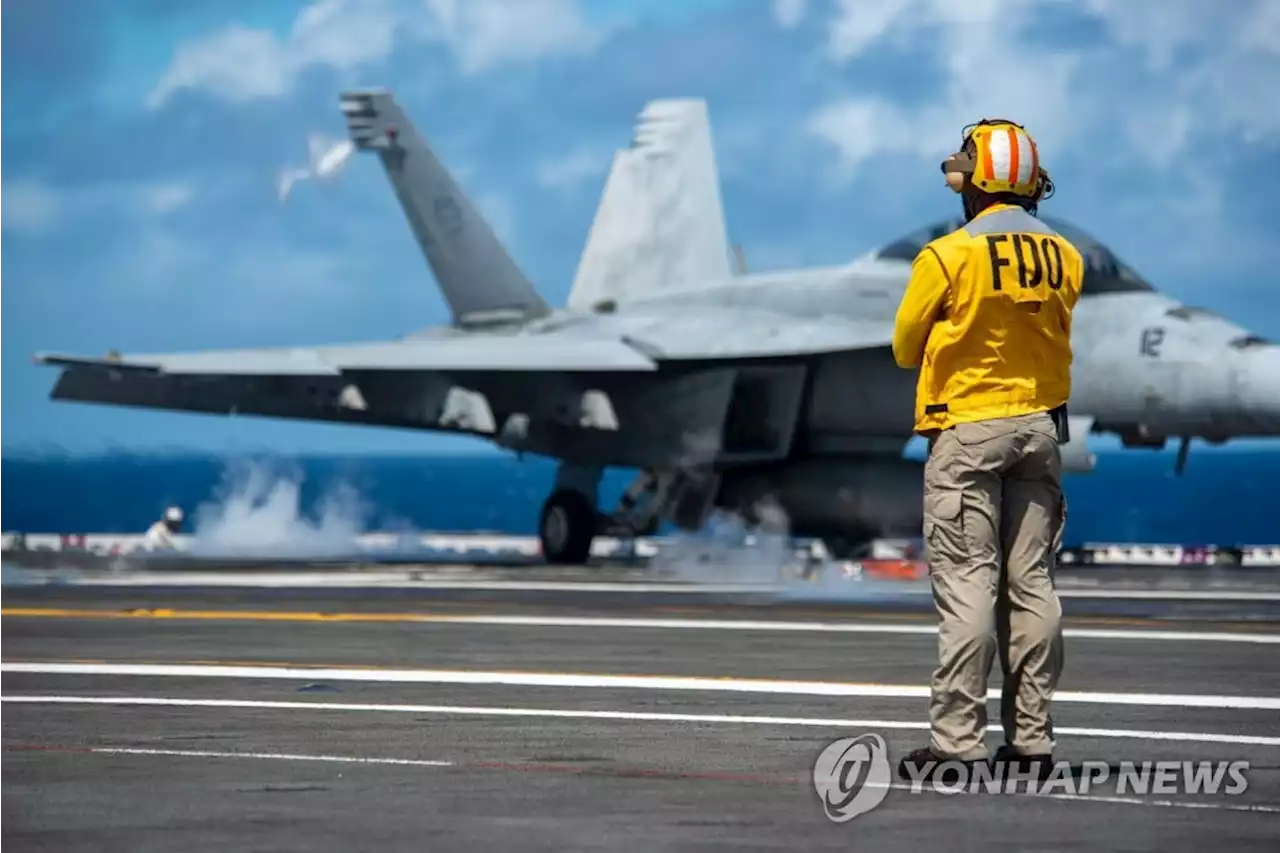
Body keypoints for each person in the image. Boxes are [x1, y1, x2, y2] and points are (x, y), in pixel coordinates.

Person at [890, 118, 1085, 779]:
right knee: (1032, 585)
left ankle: (957, 741)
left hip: (969, 430)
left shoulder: (947, 255)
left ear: (971, 182)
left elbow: (903, 347)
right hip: (1039, 430)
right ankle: (1032, 740)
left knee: (969, 585)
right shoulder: (1067, 255)